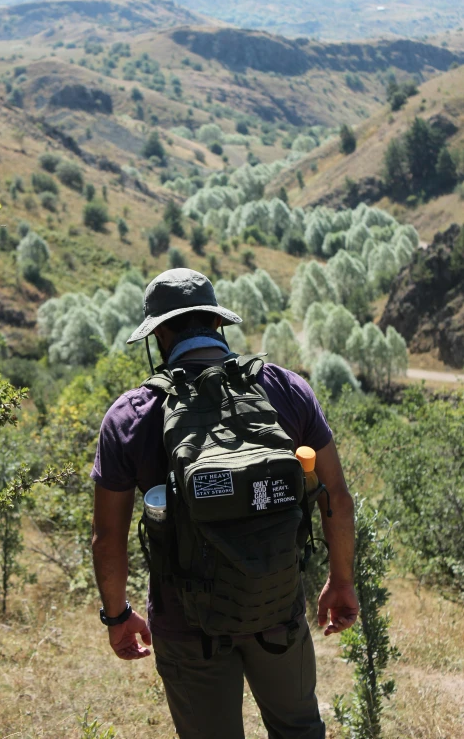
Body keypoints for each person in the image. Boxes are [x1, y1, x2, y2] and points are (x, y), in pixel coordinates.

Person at [91, 268, 359, 739]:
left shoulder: (130, 416)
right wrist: (340, 581)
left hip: (185, 623)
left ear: (158, 334)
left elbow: (107, 537)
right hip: (277, 607)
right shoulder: (285, 389)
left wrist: (117, 615)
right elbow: (335, 495)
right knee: (299, 730)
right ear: (218, 324)